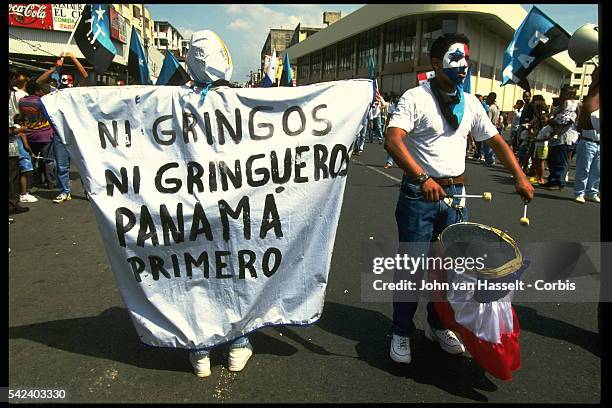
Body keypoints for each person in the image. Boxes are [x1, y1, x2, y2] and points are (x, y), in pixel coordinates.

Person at [384, 33, 534, 364]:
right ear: (436, 63)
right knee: (412, 268)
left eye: (467, 58)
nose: (464, 65)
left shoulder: (472, 104)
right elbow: (393, 140)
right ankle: (400, 331)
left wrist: (520, 177)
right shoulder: (415, 98)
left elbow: (495, 142)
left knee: (452, 270)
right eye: (456, 58)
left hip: (456, 196)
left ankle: (438, 326)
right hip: (419, 196)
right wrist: (422, 177)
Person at [184, 29, 253, 378]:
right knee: (236, 270)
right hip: (235, 208)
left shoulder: (168, 102)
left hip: (188, 207)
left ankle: (200, 349)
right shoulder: (246, 103)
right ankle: (238, 342)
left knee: (196, 274)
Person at [38, 52, 89, 203]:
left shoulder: (76, 91)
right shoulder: (55, 92)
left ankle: (88, 190)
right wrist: (55, 68)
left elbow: (85, 75)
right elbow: (40, 81)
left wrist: (72, 58)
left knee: (83, 164)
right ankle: (64, 191)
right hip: (60, 133)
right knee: (61, 165)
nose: (67, 82)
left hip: (78, 132)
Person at [542, 87, 580, 191]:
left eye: (567, 94)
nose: (563, 95)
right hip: (555, 135)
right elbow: (554, 117)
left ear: (572, 95)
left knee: (561, 159)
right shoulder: (560, 105)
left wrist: (550, 121)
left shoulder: (573, 105)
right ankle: (552, 180)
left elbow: (566, 120)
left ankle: (559, 182)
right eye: (563, 93)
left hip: (565, 135)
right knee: (552, 159)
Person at [574, 66, 600, 203]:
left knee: (597, 170)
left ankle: (592, 191)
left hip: (599, 142)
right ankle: (579, 192)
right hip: (588, 140)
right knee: (583, 168)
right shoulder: (592, 94)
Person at [482, 92, 500, 166]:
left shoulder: (490, 108)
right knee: (492, 144)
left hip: (490, 126)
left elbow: (488, 120)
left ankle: (489, 159)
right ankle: (492, 158)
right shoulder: (496, 107)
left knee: (487, 144)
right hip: (495, 126)